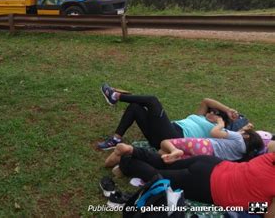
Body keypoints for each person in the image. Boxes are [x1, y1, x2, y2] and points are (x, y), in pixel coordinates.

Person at [116, 147, 275, 215]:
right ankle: (127, 163)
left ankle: (133, 151)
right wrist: (258, 206)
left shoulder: (271, 157)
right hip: (207, 185)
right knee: (158, 176)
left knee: (164, 163)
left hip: (214, 163)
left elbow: (271, 144)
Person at [98, 83, 241, 150]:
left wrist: (223, 121)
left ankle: (115, 96)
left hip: (174, 138)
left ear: (220, 119)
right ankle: (115, 139)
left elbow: (235, 138)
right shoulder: (201, 117)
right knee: (135, 107)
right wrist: (227, 109)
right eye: (210, 111)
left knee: (153, 101)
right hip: (160, 136)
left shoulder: (216, 131)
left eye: (214, 113)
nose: (210, 112)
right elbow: (206, 101)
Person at [159, 119, 263, 163]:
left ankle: (174, 150)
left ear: (247, 137)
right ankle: (172, 154)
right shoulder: (241, 155)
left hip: (204, 145)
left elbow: (214, 133)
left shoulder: (238, 137)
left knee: (165, 143)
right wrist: (244, 128)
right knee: (164, 154)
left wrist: (220, 124)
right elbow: (235, 137)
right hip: (206, 157)